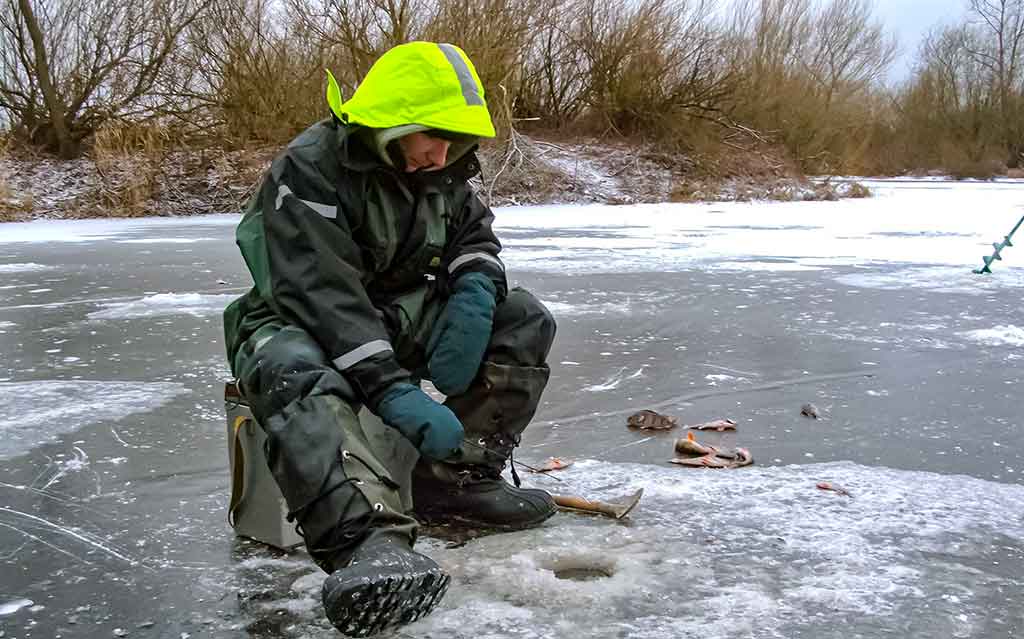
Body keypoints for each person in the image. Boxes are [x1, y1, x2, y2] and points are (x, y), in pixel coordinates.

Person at [222, 41, 557, 636]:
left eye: (456, 140)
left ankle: (456, 481)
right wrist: (390, 387)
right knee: (292, 367)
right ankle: (365, 543)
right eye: (435, 135)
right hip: (297, 317)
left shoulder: (441, 164)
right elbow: (320, 294)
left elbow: (473, 233)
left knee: (523, 317)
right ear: (394, 123)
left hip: (395, 313)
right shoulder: (310, 167)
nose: (445, 152)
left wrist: (476, 286)